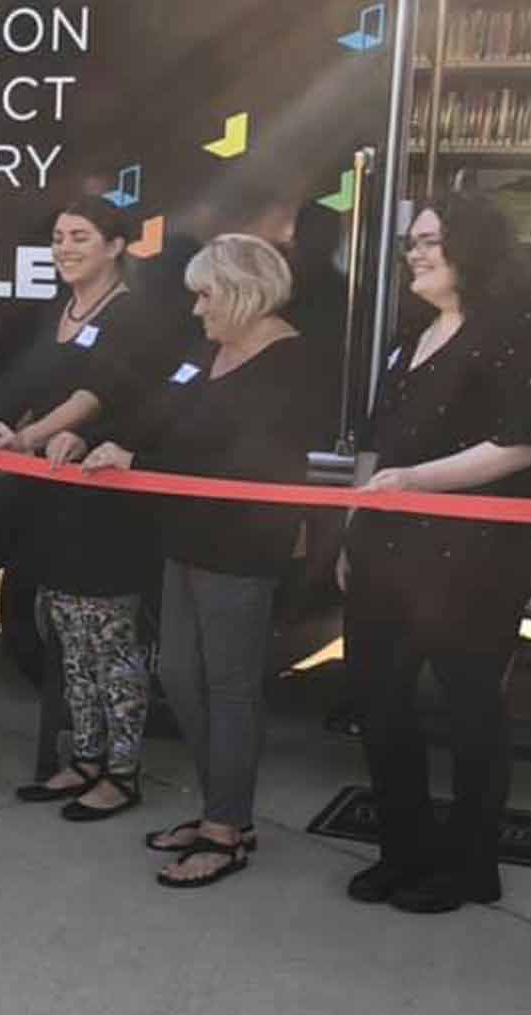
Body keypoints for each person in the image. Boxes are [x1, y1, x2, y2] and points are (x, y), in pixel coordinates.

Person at [83, 234, 342, 886]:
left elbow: (246, 459)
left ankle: (226, 830)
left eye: (205, 296)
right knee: (177, 672)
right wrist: (109, 439)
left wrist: (138, 463)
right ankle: (220, 807)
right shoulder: (211, 349)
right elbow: (163, 414)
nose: (196, 310)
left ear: (242, 291)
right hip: (186, 535)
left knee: (228, 687)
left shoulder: (293, 362)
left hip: (243, 544)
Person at [338, 192, 531, 913]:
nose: (416, 251)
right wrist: (354, 525)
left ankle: (471, 864)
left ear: (473, 245)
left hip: (477, 556)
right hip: (386, 549)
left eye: (432, 239)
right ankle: (402, 851)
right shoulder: (411, 335)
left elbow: (520, 443)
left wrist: (414, 482)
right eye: (412, 241)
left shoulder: (520, 332)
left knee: (470, 709)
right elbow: (374, 446)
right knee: (379, 704)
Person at [0, 198, 164, 821]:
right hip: (53, 501)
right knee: (69, 641)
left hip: (107, 506)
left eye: (80, 236)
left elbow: (90, 397)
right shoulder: (56, 311)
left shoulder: (136, 314)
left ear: (115, 245)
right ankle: (82, 758)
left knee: (112, 643)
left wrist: (23, 440)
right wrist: (2, 430)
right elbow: (28, 389)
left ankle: (122, 771)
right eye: (57, 237)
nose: (65, 248)